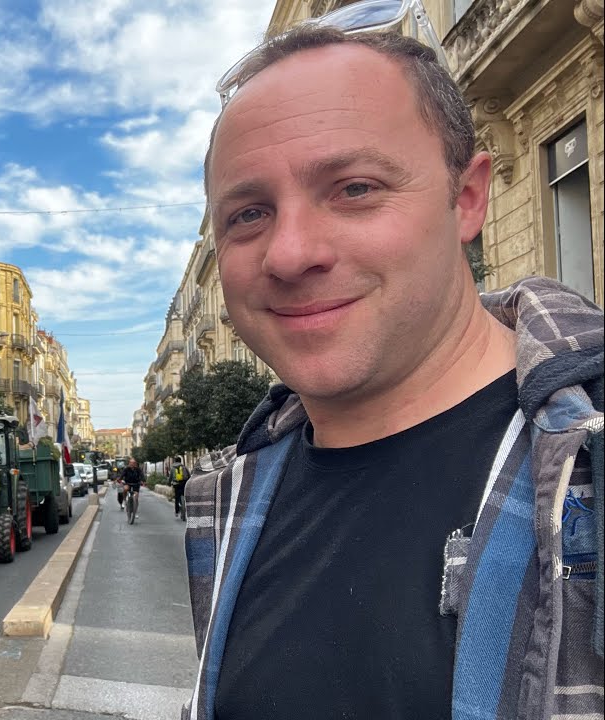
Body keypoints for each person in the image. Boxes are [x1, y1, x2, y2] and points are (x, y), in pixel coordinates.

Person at [183, 10, 602, 720]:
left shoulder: (584, 466)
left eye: (354, 188)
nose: (290, 253)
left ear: (467, 197)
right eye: (249, 214)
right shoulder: (225, 499)